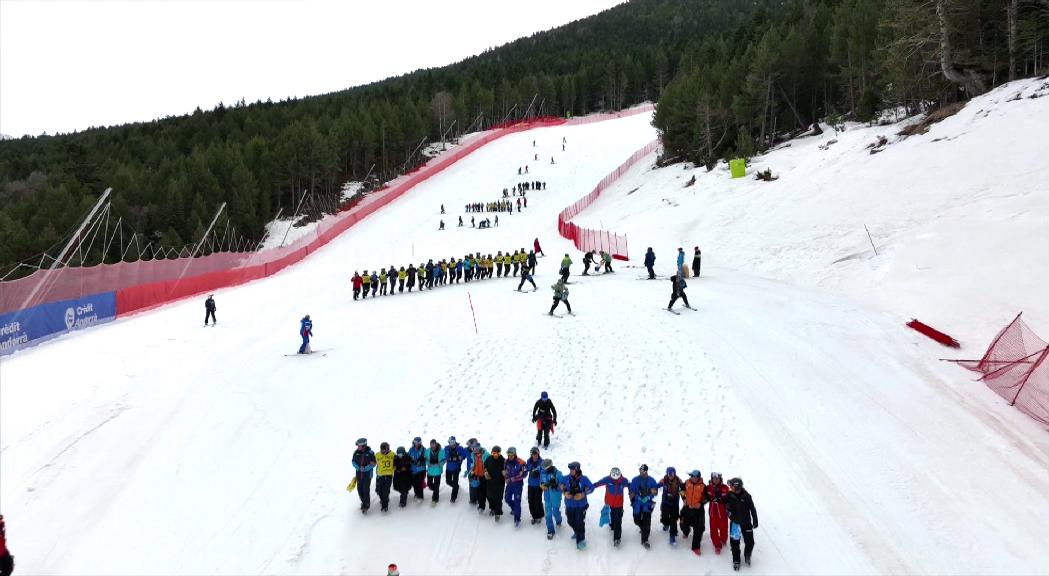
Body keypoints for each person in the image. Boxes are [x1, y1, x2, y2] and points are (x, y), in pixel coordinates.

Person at [726, 478, 758, 570]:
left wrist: (755, 520)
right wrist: (728, 509)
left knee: (750, 542)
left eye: (731, 486)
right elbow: (725, 502)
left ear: (737, 487)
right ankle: (736, 560)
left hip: (746, 523)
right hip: (735, 524)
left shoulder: (747, 496)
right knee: (734, 544)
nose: (730, 487)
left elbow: (752, 509)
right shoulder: (730, 495)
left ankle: (747, 555)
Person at [593, 467, 630, 546]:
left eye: (617, 479)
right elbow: (598, 483)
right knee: (612, 518)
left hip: (619, 505)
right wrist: (590, 487)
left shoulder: (623, 481)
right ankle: (612, 525)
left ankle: (617, 538)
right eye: (613, 479)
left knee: (618, 521)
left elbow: (631, 485)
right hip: (609, 505)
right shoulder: (607, 479)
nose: (615, 480)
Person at [562, 461, 594, 550]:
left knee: (579, 522)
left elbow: (592, 488)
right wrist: (565, 493)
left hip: (581, 505)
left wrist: (582, 494)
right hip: (569, 505)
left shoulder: (584, 479)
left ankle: (581, 540)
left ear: (577, 470)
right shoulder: (566, 478)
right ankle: (577, 532)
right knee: (570, 521)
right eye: (570, 469)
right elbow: (559, 486)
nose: (571, 471)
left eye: (572, 469)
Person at [630, 464, 659, 548]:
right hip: (637, 504)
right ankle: (643, 528)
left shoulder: (651, 480)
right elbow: (631, 491)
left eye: (643, 471)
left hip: (647, 504)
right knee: (636, 520)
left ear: (646, 471)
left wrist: (649, 496)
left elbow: (655, 492)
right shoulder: (635, 480)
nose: (641, 473)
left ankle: (645, 540)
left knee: (647, 522)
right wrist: (636, 497)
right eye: (640, 471)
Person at [681, 469, 708, 555]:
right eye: (691, 476)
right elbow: (681, 490)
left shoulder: (703, 486)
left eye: (694, 476)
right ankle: (686, 531)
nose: (692, 477)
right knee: (682, 523)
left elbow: (707, 497)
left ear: (698, 477)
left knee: (699, 528)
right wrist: (684, 498)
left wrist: (701, 503)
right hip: (687, 507)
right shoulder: (686, 482)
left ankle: (696, 547)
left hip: (698, 510)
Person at [659, 467, 685, 545]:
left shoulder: (678, 482)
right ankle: (666, 524)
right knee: (664, 517)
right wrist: (653, 489)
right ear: (667, 474)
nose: (670, 475)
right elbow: (656, 486)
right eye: (669, 474)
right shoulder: (664, 481)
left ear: (674, 474)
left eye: (672, 474)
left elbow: (682, 490)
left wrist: (684, 498)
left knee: (674, 519)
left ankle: (672, 536)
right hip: (665, 503)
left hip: (674, 504)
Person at [539, 459, 564, 539]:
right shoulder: (543, 473)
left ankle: (559, 520)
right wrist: (542, 485)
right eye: (543, 468)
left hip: (556, 497)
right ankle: (550, 530)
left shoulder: (558, 473)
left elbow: (563, 486)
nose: (544, 469)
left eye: (545, 468)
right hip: (547, 497)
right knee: (548, 514)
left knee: (555, 511)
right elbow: (541, 482)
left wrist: (556, 485)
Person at [706, 472, 730, 554]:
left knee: (724, 528)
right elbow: (703, 496)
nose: (716, 480)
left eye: (717, 478)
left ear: (720, 479)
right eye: (714, 478)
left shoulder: (725, 488)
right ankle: (717, 545)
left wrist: (721, 499)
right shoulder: (708, 488)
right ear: (712, 479)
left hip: (722, 512)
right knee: (713, 529)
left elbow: (729, 499)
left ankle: (723, 539)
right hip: (713, 512)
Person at [351, 438, 376, 513]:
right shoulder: (356, 452)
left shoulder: (370, 453)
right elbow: (353, 462)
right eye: (358, 446)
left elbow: (374, 464)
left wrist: (365, 468)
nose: (358, 447)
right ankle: (363, 501)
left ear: (364, 446)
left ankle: (366, 505)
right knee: (359, 490)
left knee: (365, 490)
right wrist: (358, 468)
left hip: (367, 476)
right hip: (359, 475)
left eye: (359, 446)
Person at [503, 447, 527, 526]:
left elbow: (525, 474)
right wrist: (506, 477)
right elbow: (504, 471)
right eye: (508, 455)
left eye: (511, 455)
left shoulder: (521, 462)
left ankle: (517, 519)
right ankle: (514, 509)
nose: (510, 456)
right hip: (509, 484)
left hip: (518, 485)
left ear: (515, 454)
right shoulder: (506, 462)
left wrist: (516, 478)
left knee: (517, 501)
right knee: (507, 499)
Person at [442, 436, 469, 503]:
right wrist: (455, 458)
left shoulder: (460, 448)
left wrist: (457, 458)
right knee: (448, 481)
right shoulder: (446, 448)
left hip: (456, 468)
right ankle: (456, 487)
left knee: (455, 481)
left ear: (454, 442)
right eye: (449, 442)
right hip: (448, 468)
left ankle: (453, 498)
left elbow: (462, 457)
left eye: (451, 443)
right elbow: (446, 457)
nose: (450, 444)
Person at [484, 445, 506, 520]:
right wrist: (486, 472)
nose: (495, 455)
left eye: (497, 453)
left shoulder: (503, 460)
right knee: (489, 496)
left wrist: (505, 473)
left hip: (499, 482)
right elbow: (485, 466)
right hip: (490, 481)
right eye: (493, 453)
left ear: (499, 453)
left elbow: (507, 470)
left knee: (498, 498)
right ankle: (492, 508)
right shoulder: (489, 458)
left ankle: (498, 513)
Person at [467, 442, 489, 511]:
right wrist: (471, 471)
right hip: (477, 475)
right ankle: (481, 506)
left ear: (479, 447)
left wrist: (488, 473)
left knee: (487, 492)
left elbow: (489, 465)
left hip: (485, 476)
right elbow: (474, 464)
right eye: (472, 448)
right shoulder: (473, 455)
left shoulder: (486, 454)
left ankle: (493, 507)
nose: (474, 449)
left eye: (475, 448)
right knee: (479, 492)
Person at [525, 447, 545, 525]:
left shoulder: (542, 462)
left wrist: (538, 471)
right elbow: (527, 469)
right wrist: (531, 468)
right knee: (530, 500)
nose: (535, 455)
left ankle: (540, 515)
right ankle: (533, 515)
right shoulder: (529, 461)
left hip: (538, 485)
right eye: (533, 454)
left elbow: (543, 471)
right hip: (530, 484)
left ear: (538, 453)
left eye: (536, 454)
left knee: (537, 500)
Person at [374, 442, 395, 512]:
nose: (384, 451)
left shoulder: (393, 454)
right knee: (379, 491)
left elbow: (397, 462)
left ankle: (384, 506)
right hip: (380, 476)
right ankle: (383, 499)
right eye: (383, 450)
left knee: (385, 491)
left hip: (388, 475)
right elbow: (373, 463)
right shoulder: (377, 455)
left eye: (385, 449)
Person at [424, 439, 446, 505]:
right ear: (430, 445)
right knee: (429, 484)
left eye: (434, 444)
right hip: (430, 471)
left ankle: (435, 499)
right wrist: (428, 463)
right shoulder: (427, 451)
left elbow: (444, 459)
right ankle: (436, 490)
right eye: (431, 445)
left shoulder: (441, 451)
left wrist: (441, 464)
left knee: (436, 485)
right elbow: (425, 459)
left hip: (438, 471)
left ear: (436, 444)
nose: (433, 446)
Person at [408, 437, 427, 502]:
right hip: (413, 470)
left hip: (421, 469)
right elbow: (408, 457)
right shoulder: (411, 449)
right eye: (415, 442)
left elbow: (427, 459)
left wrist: (422, 461)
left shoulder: (424, 450)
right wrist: (410, 461)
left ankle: (420, 497)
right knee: (414, 483)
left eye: (418, 443)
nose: (417, 444)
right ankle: (416, 494)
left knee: (419, 483)